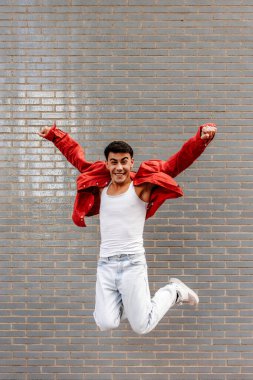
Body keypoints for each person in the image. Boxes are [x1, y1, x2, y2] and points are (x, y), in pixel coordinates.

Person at [38, 122, 217, 335]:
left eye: (124, 162)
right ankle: (130, 302)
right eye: (114, 162)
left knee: (141, 326)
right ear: (107, 164)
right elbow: (76, 156)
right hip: (105, 264)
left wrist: (201, 139)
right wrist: (54, 135)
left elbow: (175, 164)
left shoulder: (141, 187)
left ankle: (175, 291)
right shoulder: (101, 186)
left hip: (132, 263)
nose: (119, 167)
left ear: (131, 162)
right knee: (105, 322)